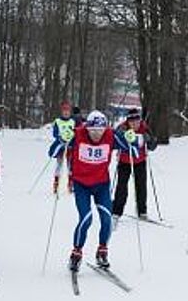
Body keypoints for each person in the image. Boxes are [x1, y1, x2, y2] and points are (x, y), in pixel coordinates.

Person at [49, 110, 138, 272]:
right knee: (86, 219)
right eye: (93, 131)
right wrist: (62, 139)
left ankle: (102, 251)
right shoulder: (78, 134)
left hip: (101, 185)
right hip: (81, 184)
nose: (97, 134)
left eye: (100, 130)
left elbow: (133, 152)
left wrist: (131, 140)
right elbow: (52, 153)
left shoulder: (110, 135)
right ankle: (76, 253)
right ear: (87, 127)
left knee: (107, 219)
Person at [112, 108, 158, 225]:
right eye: (132, 122)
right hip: (124, 161)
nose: (134, 124)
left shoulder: (144, 127)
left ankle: (142, 211)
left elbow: (153, 145)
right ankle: (117, 211)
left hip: (140, 160)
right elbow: (115, 140)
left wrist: (149, 140)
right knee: (122, 186)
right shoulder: (122, 127)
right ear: (128, 121)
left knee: (141, 185)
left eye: (136, 121)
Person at [49, 101, 76, 193]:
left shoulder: (73, 121)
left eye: (67, 110)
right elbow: (55, 133)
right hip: (60, 146)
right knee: (59, 165)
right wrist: (60, 138)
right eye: (64, 110)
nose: (66, 112)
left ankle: (71, 183)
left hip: (70, 147)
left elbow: (76, 132)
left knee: (70, 165)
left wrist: (72, 138)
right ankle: (56, 182)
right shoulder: (58, 121)